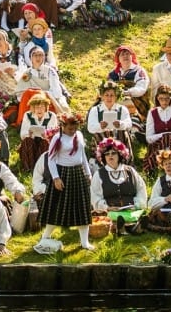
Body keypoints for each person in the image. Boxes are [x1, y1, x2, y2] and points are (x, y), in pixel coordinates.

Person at [35, 113, 94, 252]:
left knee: (82, 206)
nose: (72, 131)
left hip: (78, 173)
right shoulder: (57, 138)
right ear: (63, 126)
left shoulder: (79, 135)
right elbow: (51, 159)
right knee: (56, 207)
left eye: (74, 128)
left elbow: (82, 155)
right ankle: (45, 237)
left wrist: (88, 172)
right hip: (63, 174)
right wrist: (56, 178)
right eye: (70, 128)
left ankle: (84, 242)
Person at [90, 137, 147, 230]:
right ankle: (130, 228)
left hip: (131, 210)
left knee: (134, 215)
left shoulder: (130, 171)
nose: (110, 156)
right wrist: (107, 207)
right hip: (111, 211)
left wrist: (136, 205)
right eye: (107, 154)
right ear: (103, 157)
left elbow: (141, 190)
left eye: (113, 153)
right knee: (113, 217)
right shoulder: (99, 174)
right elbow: (95, 196)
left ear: (120, 154)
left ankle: (129, 227)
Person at [86, 81, 134, 157]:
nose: (109, 98)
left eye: (112, 95)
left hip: (119, 139)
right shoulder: (95, 110)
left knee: (123, 133)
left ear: (116, 97)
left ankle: (123, 158)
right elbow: (90, 128)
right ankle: (102, 159)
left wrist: (120, 124)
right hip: (102, 140)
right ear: (102, 96)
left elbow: (129, 124)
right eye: (106, 95)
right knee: (99, 135)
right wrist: (100, 126)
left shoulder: (122, 109)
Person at [17, 93, 58, 172]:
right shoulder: (27, 115)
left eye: (42, 106)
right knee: (27, 141)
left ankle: (41, 167)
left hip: (44, 141)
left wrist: (46, 135)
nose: (40, 109)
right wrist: (29, 134)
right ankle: (29, 167)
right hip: (32, 142)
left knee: (45, 142)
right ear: (32, 108)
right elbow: (23, 133)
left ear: (46, 107)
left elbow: (53, 133)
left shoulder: (52, 116)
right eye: (37, 107)